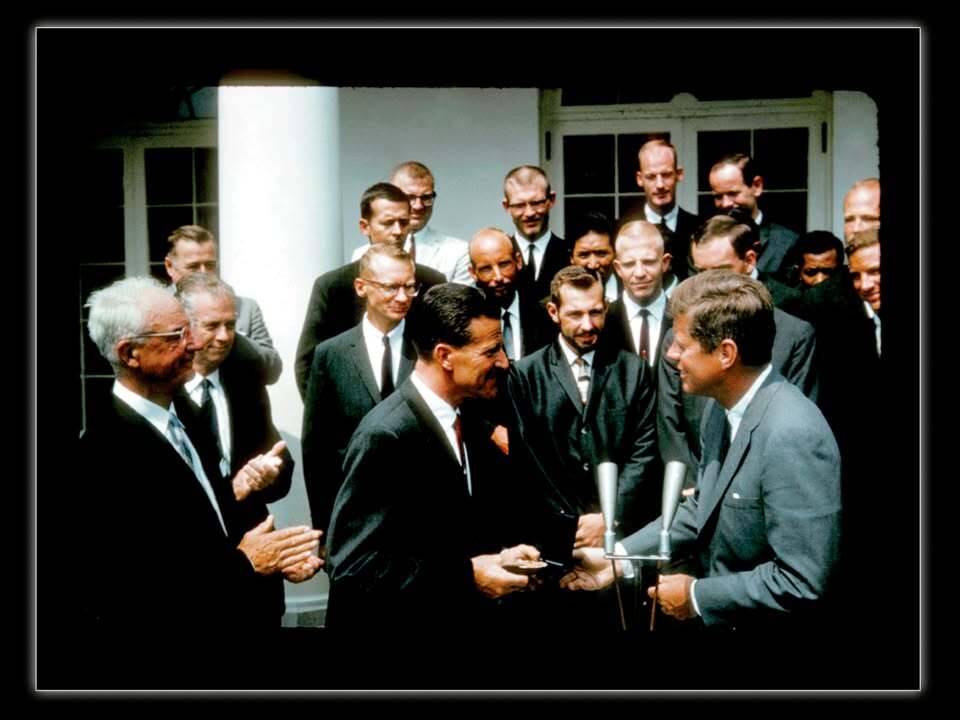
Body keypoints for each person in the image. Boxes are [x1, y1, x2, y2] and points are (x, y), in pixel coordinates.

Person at [562, 270, 841, 634]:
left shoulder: (792, 434)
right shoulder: (718, 410)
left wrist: (697, 596)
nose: (671, 355)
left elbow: (802, 580)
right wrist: (620, 558)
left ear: (726, 353)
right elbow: (703, 507)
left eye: (682, 345)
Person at [74, 277, 322, 642]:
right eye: (176, 335)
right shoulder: (101, 457)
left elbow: (208, 524)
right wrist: (248, 564)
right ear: (129, 354)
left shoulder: (188, 414)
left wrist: (274, 555)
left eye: (189, 330)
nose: (192, 344)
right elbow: (133, 593)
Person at [324, 283, 541, 632]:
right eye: (491, 351)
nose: (503, 361)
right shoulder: (385, 436)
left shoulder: (469, 419)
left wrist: (501, 559)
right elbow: (354, 567)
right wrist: (467, 576)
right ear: (445, 356)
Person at [171, 273, 311, 629]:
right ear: (183, 325)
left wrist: (269, 472)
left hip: (258, 581)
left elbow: (277, 457)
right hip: (196, 576)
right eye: (212, 326)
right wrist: (233, 489)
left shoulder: (245, 377)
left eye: (231, 325)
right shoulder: (163, 394)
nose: (224, 336)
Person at [505, 265, 660, 540]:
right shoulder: (526, 375)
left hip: (622, 532)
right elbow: (529, 462)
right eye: (575, 314)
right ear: (553, 312)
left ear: (606, 307)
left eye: (595, 312)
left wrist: (609, 516)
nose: (587, 325)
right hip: (555, 533)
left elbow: (644, 451)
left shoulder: (634, 370)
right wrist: (569, 527)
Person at [659, 215, 819, 472]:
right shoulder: (679, 335)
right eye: (700, 272)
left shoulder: (793, 331)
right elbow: (669, 422)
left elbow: (793, 427)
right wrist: (695, 481)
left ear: (749, 260)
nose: (707, 283)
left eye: (719, 271)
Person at [301, 244, 419, 543]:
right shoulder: (332, 354)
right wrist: (324, 531)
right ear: (361, 287)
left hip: (421, 518)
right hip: (355, 520)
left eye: (409, 287)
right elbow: (317, 450)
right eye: (391, 287)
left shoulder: (428, 348)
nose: (402, 297)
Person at [294, 182, 446, 398]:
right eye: (388, 223)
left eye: (404, 222)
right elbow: (309, 364)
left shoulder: (431, 282)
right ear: (365, 226)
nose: (398, 231)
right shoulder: (333, 286)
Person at [164, 224, 283, 385]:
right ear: (170, 267)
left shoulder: (244, 308)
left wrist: (227, 333)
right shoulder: (156, 310)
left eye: (210, 265)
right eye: (193, 266)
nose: (204, 273)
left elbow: (272, 371)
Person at [348, 161, 471, 284]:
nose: (418, 206)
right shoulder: (361, 255)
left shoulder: (458, 252)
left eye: (426, 198)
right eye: (410, 197)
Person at [468, 227, 555, 360]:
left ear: (518, 261)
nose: (498, 277)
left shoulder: (544, 314)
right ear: (473, 273)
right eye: (486, 269)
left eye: (504, 264)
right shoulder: (470, 321)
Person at [601, 221, 674, 375]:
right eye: (629, 264)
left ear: (665, 263)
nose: (639, 273)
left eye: (648, 262)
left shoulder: (683, 318)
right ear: (618, 268)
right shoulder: (603, 321)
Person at [708, 153, 799, 277]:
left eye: (733, 193)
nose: (725, 203)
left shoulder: (786, 242)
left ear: (757, 186)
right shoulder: (705, 239)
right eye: (718, 196)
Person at [627, 138, 701, 282]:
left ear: (679, 174)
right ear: (640, 179)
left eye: (666, 175)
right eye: (651, 177)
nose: (660, 184)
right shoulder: (623, 229)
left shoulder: (699, 228)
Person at [502, 165, 569, 301]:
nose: (530, 213)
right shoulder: (500, 259)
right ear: (507, 206)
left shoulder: (570, 254)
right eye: (520, 205)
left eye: (537, 203)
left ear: (551, 200)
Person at [569, 212, 619, 301]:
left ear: (615, 254)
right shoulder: (555, 303)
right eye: (584, 255)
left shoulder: (636, 293)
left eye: (601, 253)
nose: (592, 265)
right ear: (571, 258)